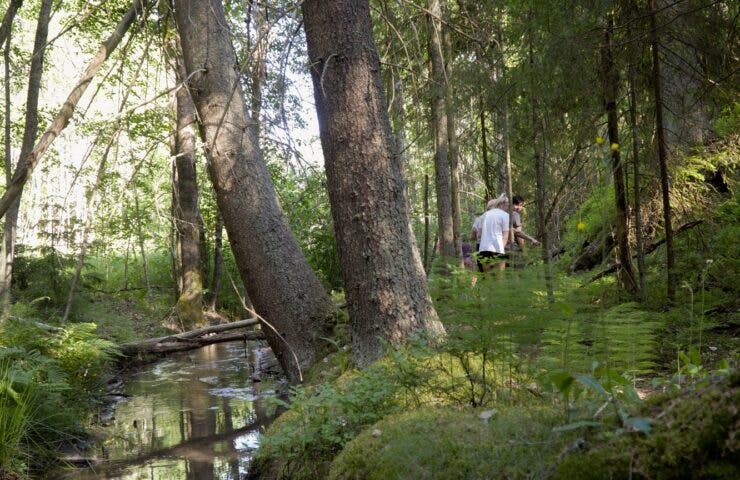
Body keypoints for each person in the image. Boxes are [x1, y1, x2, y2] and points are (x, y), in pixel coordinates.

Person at [477, 194, 510, 273]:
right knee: (499, 280)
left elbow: (479, 235)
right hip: (498, 249)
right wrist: (501, 250)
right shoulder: (505, 215)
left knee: (488, 279)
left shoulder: (484, 215)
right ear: (503, 204)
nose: (508, 207)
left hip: (483, 250)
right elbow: (505, 236)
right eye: (507, 205)